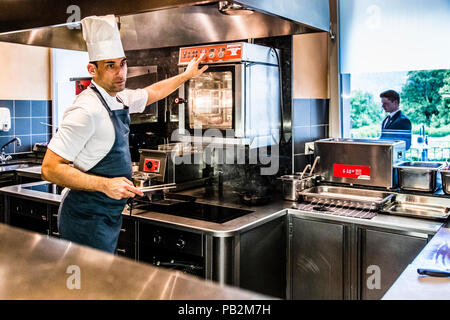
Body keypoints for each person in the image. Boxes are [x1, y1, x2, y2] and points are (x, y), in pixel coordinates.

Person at [41, 15, 207, 253]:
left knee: (100, 284)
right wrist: (106, 185)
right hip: (84, 217)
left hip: (107, 214)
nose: (120, 73)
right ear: (92, 69)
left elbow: (152, 93)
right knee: (87, 287)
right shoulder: (85, 110)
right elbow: (50, 168)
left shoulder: (118, 98)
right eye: (110, 66)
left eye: (123, 63)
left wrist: (186, 76)